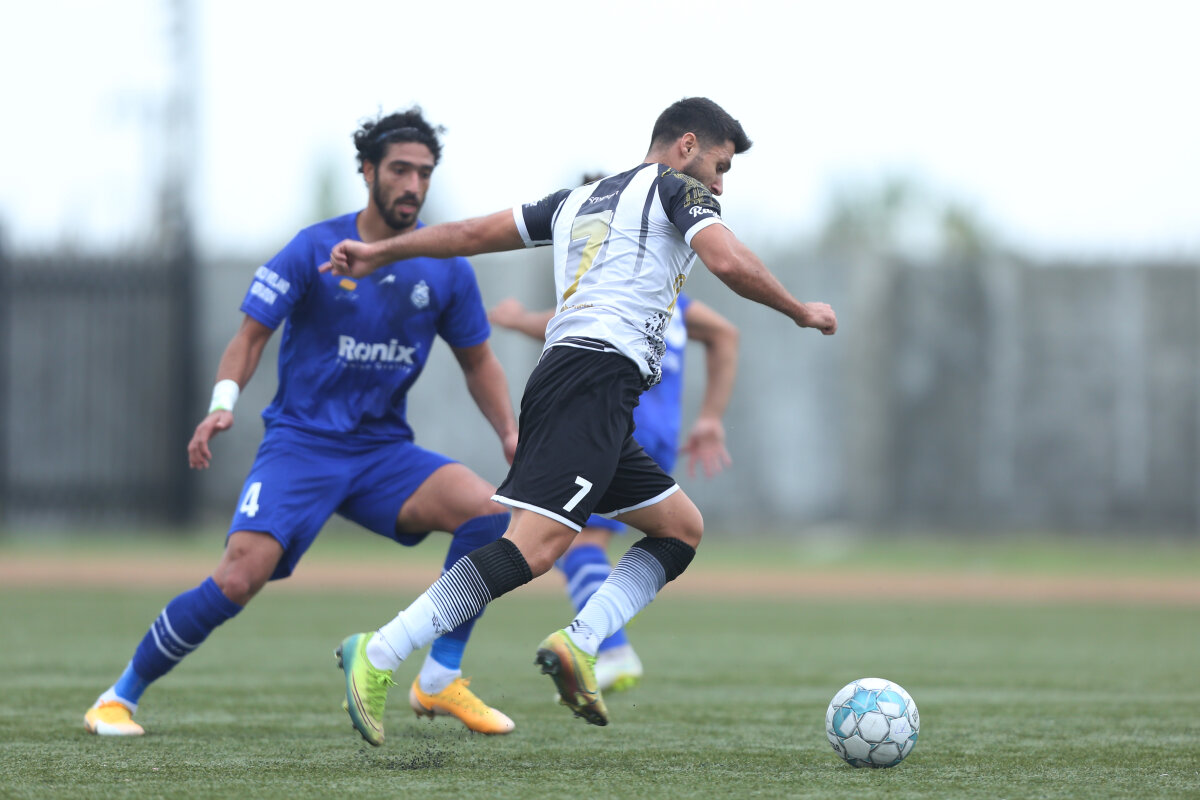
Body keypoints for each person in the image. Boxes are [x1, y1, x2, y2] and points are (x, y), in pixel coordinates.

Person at [325, 96, 836, 742]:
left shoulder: (578, 200)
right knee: (535, 549)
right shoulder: (676, 188)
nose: (720, 183)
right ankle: (380, 651)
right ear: (686, 145)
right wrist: (799, 309)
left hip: (590, 385)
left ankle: (582, 642)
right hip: (591, 380)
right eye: (721, 165)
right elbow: (728, 261)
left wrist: (382, 253)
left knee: (679, 528)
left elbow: (470, 235)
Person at [83, 108, 521, 740]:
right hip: (303, 446)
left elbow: (479, 362)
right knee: (239, 577)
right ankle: (117, 698)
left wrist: (508, 431)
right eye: (400, 170)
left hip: (382, 452)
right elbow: (250, 336)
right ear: (367, 171)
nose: (413, 185)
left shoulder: (445, 266)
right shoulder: (314, 248)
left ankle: (438, 676)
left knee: (488, 514)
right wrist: (222, 403)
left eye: (424, 174)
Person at [487, 289, 738, 692]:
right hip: (659, 431)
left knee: (576, 543)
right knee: (582, 542)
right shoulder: (674, 300)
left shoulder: (618, 286)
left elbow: (572, 321)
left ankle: (613, 649)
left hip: (615, 421)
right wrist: (710, 417)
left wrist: (517, 320)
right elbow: (726, 333)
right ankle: (608, 625)